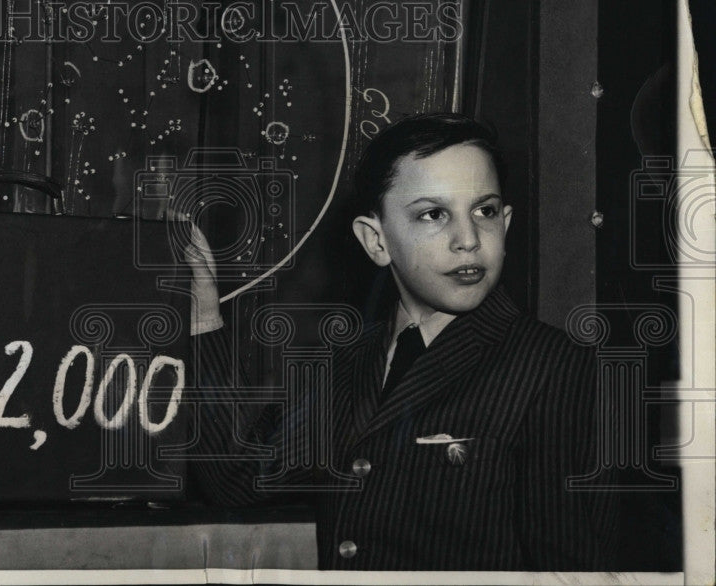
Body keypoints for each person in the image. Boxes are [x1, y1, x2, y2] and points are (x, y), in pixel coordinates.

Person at [184, 112, 616, 571]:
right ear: (376, 241)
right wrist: (205, 316)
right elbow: (238, 477)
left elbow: (573, 572)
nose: (468, 240)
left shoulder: (555, 367)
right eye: (433, 214)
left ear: (505, 225)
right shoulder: (346, 364)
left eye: (484, 211)